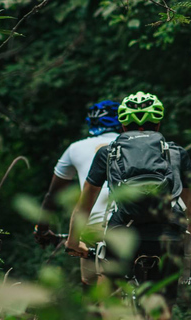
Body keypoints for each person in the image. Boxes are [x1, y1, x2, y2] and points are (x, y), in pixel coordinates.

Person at [65, 91, 191, 304]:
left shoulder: (107, 153)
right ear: (158, 125)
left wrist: (74, 242)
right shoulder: (177, 153)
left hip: (123, 233)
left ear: (122, 126)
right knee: (163, 305)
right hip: (168, 235)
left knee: (107, 295)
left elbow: (84, 206)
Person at [34, 100, 121, 287]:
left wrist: (41, 229)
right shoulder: (133, 147)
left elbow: (52, 195)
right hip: (133, 221)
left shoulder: (75, 148)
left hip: (94, 226)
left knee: (92, 290)